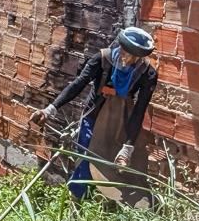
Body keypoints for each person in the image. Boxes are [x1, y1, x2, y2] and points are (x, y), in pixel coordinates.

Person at [31, 26, 158, 205]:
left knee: (118, 161)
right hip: (94, 115)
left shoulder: (147, 74)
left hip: (122, 119)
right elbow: (78, 84)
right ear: (119, 47)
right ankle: (75, 200)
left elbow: (140, 109)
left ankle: (111, 201)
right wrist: (50, 109)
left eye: (133, 57)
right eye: (124, 52)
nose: (127, 59)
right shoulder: (102, 59)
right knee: (85, 158)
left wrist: (128, 147)